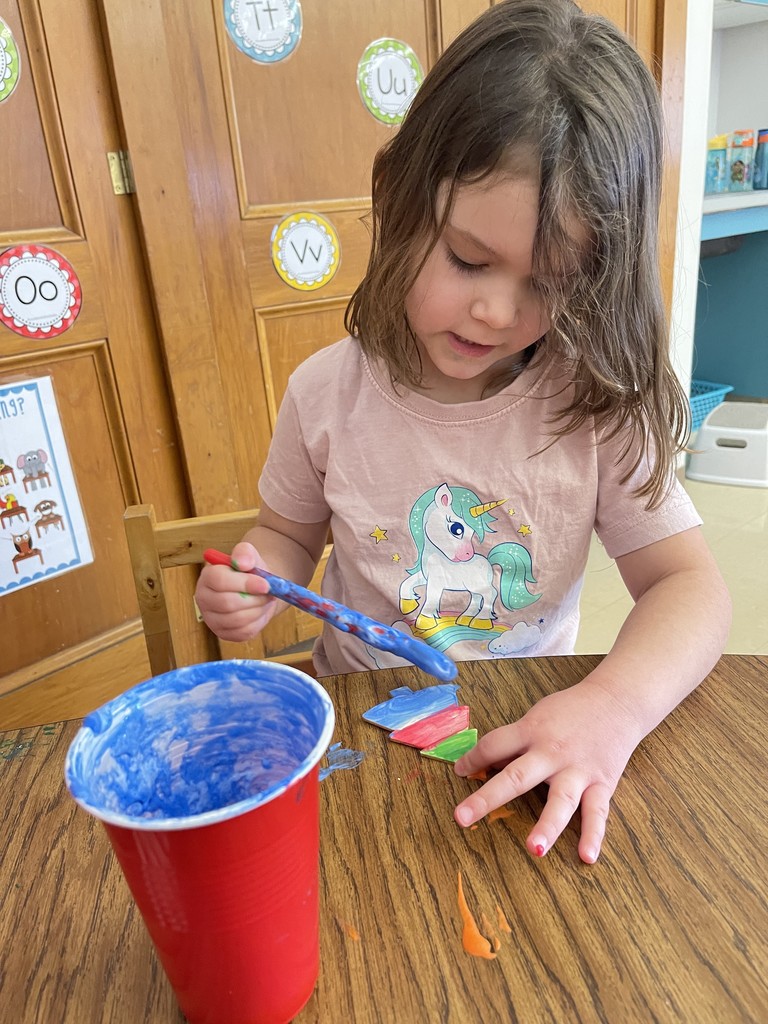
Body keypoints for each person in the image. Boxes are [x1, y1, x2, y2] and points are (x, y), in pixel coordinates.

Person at [195, 0, 731, 864]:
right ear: (396, 197)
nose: (496, 309)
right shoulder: (323, 394)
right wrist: (262, 581)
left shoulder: (595, 401)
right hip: (360, 741)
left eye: (551, 282)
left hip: (534, 734)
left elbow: (693, 591)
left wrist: (615, 707)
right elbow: (287, 535)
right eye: (468, 259)